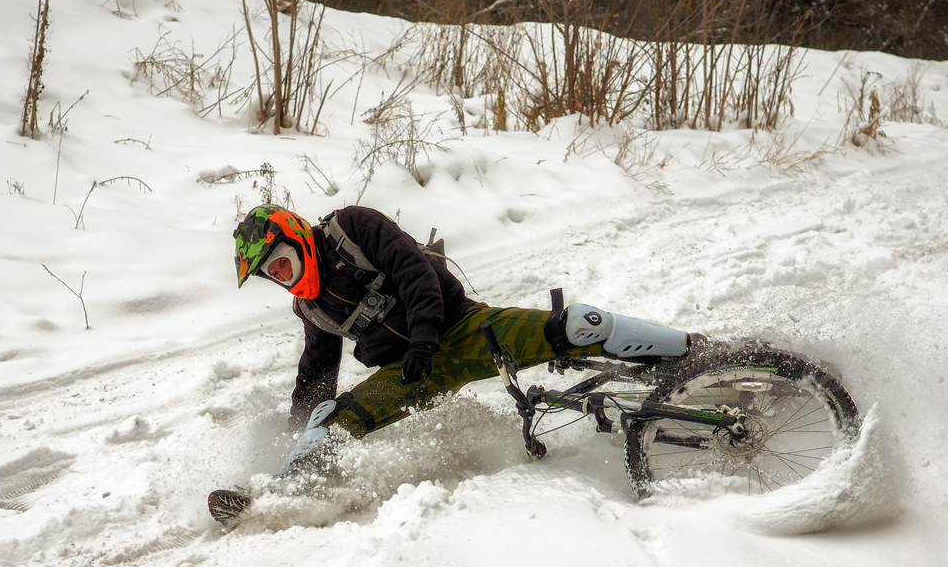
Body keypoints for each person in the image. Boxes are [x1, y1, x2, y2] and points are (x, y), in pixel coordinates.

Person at [210, 203, 692, 523]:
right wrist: (298, 432)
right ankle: (271, 499)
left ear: (294, 236)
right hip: (413, 372)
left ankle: (689, 351)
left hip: (461, 329)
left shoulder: (351, 228)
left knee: (576, 325)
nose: (278, 274)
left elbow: (412, 270)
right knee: (328, 420)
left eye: (278, 260)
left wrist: (422, 337)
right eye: (269, 273)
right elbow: (316, 371)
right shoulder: (310, 305)